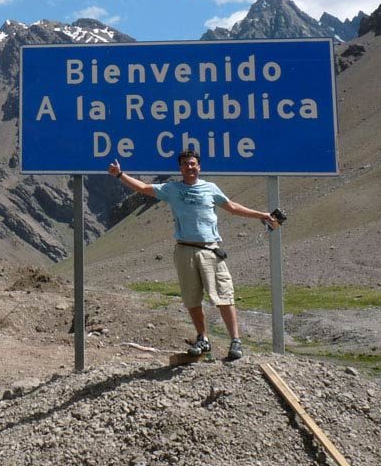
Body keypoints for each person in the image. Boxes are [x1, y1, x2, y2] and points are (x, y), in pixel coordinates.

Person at [108, 149, 279, 361]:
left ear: (199, 166)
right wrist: (119, 175)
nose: (190, 167)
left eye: (193, 164)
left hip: (210, 249)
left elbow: (232, 207)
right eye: (185, 164)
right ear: (180, 168)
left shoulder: (211, 188)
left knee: (224, 295)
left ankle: (235, 341)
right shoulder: (171, 189)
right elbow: (143, 188)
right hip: (184, 249)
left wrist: (261, 215)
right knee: (192, 298)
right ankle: (203, 339)